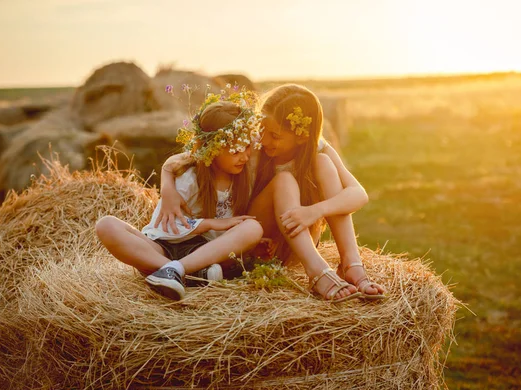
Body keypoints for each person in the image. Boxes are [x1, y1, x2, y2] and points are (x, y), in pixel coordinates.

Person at [161, 84, 386, 303]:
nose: (265, 139)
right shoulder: (256, 142)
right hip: (256, 241)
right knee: (284, 180)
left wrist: (314, 211)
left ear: (301, 136)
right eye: (262, 129)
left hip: (297, 245)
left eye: (275, 136)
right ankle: (318, 272)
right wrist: (168, 189)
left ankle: (350, 264)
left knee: (324, 164)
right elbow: (178, 161)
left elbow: (359, 194)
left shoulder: (317, 148)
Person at [95, 89, 264, 300]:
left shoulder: (246, 169)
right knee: (106, 225)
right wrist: (210, 224)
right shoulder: (189, 178)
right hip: (163, 250)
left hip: (208, 254)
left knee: (253, 228)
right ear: (211, 149)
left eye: (247, 147)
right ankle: (181, 271)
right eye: (234, 150)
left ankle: (179, 271)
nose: (244, 156)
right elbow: (167, 230)